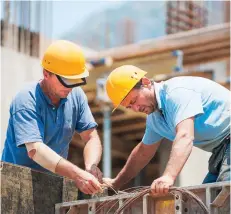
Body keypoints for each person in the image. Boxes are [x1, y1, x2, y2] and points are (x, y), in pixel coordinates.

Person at [104, 65, 230, 196]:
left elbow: (185, 136)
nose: (136, 108)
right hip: (221, 150)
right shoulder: (155, 119)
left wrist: (168, 176)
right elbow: (143, 153)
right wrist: (116, 184)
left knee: (225, 196)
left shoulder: (176, 93)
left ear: (146, 82)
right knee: (207, 200)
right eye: (130, 107)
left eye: (134, 100)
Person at [1, 40, 103, 195]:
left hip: (52, 185)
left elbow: (91, 137)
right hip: (15, 185)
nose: (70, 86)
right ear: (46, 74)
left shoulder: (76, 96)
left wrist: (91, 166)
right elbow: (35, 150)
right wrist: (77, 174)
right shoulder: (26, 100)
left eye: (75, 80)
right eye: (66, 80)